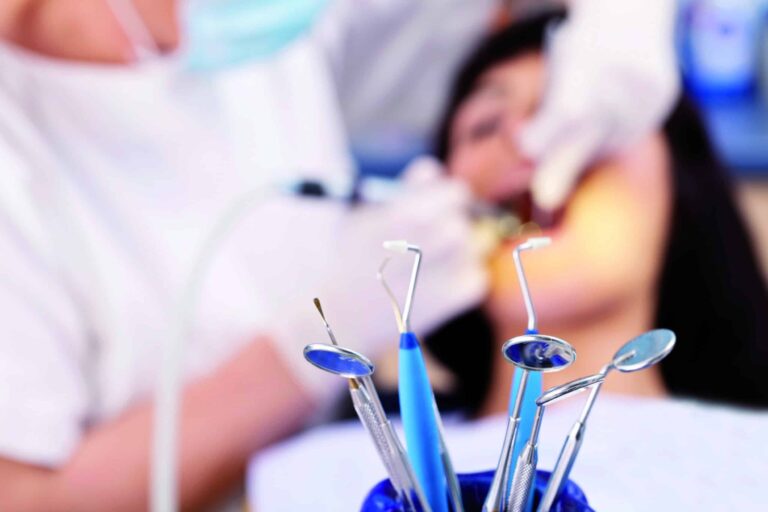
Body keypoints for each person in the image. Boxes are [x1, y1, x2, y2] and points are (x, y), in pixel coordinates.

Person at [251, 11, 768, 510]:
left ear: (679, 179)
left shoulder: (753, 459)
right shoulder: (302, 480)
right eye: (484, 125)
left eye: (567, 111)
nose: (526, 140)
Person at [0, 1, 494, 510]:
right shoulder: (18, 166)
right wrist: (297, 356)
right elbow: (21, 498)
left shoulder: (259, 28)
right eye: (488, 126)